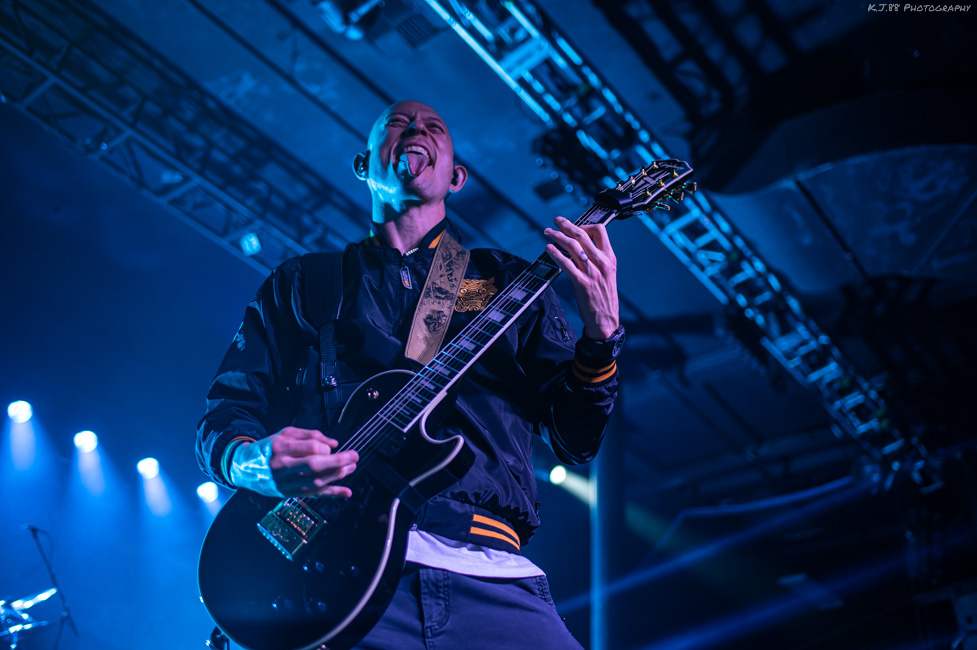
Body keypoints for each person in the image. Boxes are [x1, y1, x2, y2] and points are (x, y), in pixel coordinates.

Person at [196, 100, 625, 649]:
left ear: (457, 176)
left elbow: (576, 438)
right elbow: (227, 415)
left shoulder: (505, 283)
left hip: (488, 576)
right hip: (325, 574)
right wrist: (254, 462)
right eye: (398, 124)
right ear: (363, 164)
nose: (417, 129)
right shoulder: (304, 283)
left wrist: (600, 338)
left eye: (435, 127)